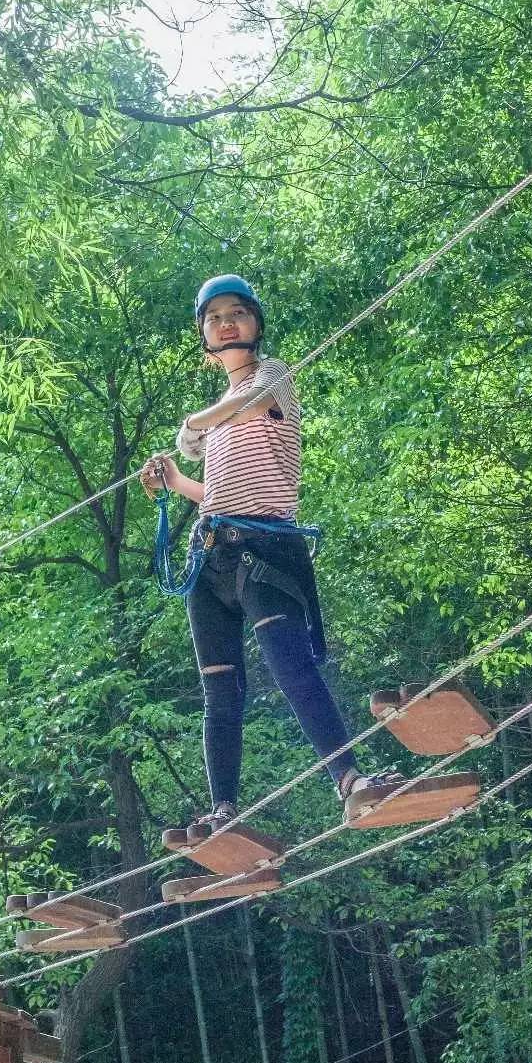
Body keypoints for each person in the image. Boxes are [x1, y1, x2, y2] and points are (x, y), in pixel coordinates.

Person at [141, 275, 406, 833]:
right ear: (203, 334)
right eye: (214, 317)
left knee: (291, 668)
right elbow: (217, 493)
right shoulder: (218, 416)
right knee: (220, 688)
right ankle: (224, 811)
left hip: (265, 548)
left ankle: (350, 779)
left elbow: (249, 405)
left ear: (256, 323)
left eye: (237, 312)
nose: (226, 322)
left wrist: (193, 424)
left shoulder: (274, 378)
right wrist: (176, 480)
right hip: (211, 556)